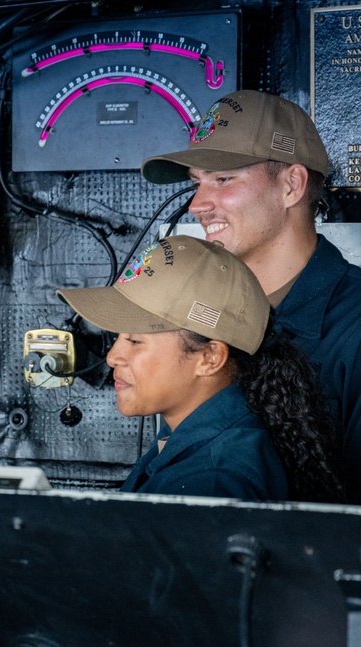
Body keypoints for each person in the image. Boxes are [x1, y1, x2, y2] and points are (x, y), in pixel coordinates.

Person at [141, 89, 361, 501]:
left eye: (223, 179)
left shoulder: (356, 329)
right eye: (196, 183)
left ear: (291, 184)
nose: (197, 204)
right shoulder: (203, 318)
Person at [58, 235, 344, 502]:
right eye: (117, 337)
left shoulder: (212, 481)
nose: (112, 357)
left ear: (210, 358)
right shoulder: (185, 431)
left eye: (134, 340)